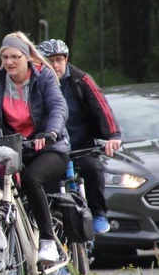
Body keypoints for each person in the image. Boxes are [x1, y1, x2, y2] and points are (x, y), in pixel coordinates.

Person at [0, 31, 71, 263]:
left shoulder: (44, 77)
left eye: (14, 57)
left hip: (50, 147)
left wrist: (50, 132)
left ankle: (48, 241)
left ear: (27, 57)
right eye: (4, 57)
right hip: (16, 148)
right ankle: (3, 241)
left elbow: (58, 107)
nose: (9, 62)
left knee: (32, 179)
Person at [36, 38, 122, 234]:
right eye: (50, 61)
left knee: (92, 168)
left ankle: (98, 213)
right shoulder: (37, 82)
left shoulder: (80, 80)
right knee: (47, 188)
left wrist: (113, 135)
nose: (55, 66)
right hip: (52, 149)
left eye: (59, 60)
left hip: (80, 143)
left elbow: (102, 108)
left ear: (66, 59)